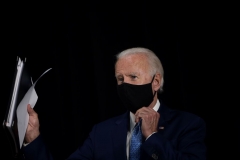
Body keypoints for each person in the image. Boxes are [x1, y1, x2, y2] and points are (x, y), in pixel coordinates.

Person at [22, 47, 206, 160]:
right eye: (120, 78)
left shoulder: (188, 125)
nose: (125, 85)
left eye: (133, 77)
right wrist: (33, 139)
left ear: (155, 82)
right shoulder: (101, 132)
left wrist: (151, 137)